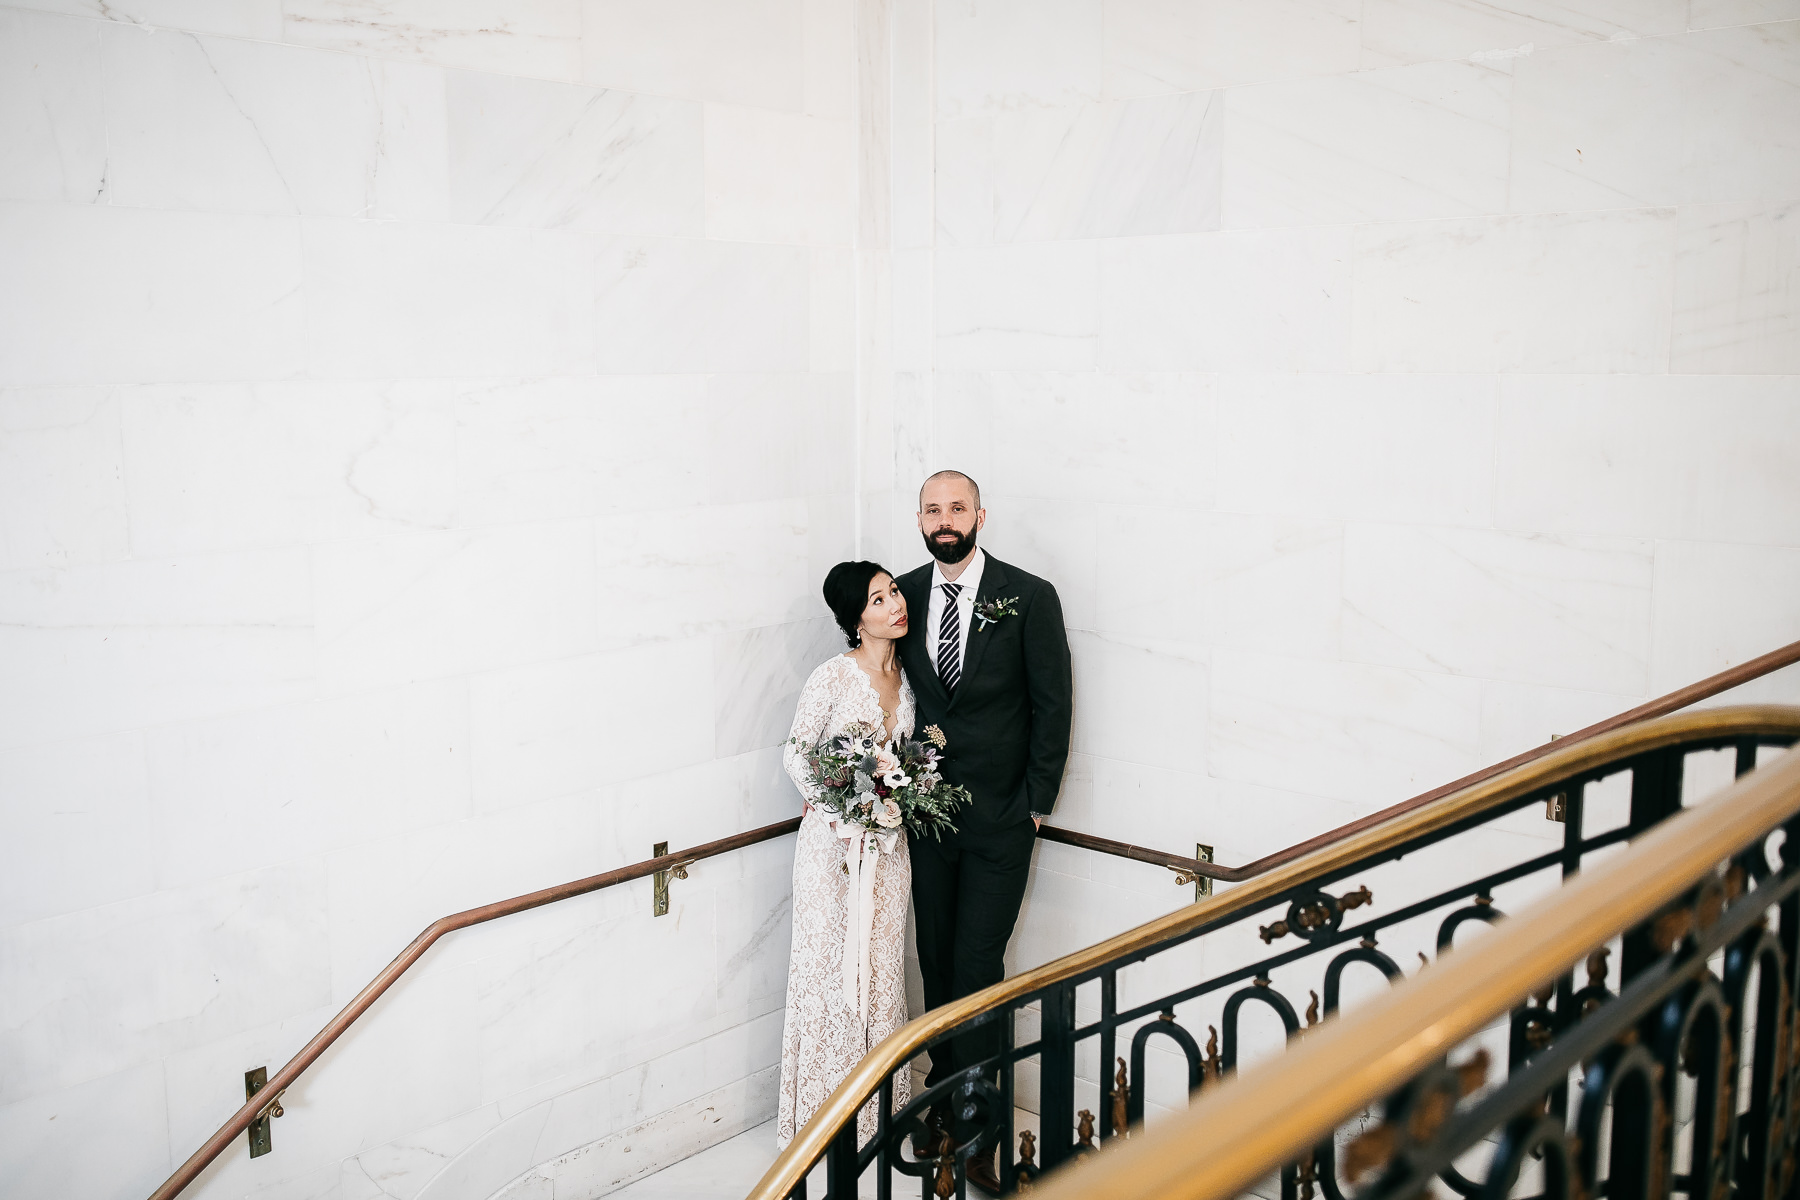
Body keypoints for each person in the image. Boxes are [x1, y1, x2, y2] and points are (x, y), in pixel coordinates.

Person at [895, 470, 1073, 1194]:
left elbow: (1052, 701)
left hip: (1001, 820)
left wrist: (1036, 803)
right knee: (935, 961)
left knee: (978, 965)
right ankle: (942, 1100)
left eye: (957, 507)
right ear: (919, 520)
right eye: (933, 509)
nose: (946, 519)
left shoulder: (1029, 596)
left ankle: (980, 1123)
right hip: (927, 821)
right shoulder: (899, 594)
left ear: (980, 515)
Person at [775, 561, 917, 1149]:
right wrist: (841, 805)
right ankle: (821, 1121)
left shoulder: (914, 679)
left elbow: (913, 761)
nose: (895, 604)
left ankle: (880, 1117)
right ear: (856, 619)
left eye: (894, 592)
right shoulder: (830, 678)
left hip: (889, 850)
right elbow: (797, 755)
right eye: (878, 600)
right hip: (832, 852)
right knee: (831, 972)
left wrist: (898, 795)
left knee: (882, 970)